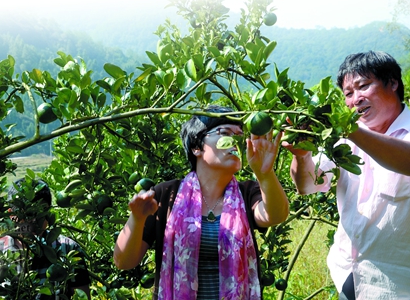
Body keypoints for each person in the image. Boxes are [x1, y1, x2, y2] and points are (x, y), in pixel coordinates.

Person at [285, 51, 410, 299]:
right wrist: (301, 156)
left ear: (393, 83)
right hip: (350, 277)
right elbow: (308, 185)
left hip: (407, 287)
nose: (355, 99)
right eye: (348, 94)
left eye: (363, 86)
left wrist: (349, 129)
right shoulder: (343, 141)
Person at [114, 105, 289, 300]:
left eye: (239, 135)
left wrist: (265, 174)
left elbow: (275, 214)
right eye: (225, 132)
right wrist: (137, 219)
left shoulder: (246, 193)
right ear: (197, 147)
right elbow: (124, 261)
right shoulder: (167, 195)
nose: (235, 142)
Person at [0, 178, 91, 300]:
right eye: (27, 214)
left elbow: (82, 296)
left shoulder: (68, 248)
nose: (34, 220)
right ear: (11, 214)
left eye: (40, 212)